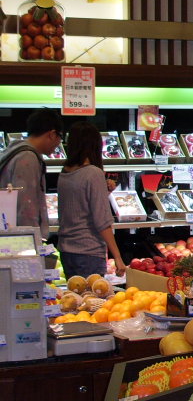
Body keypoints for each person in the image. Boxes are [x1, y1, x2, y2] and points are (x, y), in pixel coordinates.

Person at [57, 121, 126, 279]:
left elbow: (78, 205)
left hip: (67, 251)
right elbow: (102, 220)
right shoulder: (93, 173)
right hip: (88, 252)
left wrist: (103, 191)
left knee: (75, 294)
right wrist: (118, 257)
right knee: (91, 295)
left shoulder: (64, 172)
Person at [0, 109, 62, 238]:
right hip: (20, 240)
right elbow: (26, 206)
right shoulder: (28, 158)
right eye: (60, 137)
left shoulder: (15, 152)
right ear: (52, 134)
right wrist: (33, 241)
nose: (59, 144)